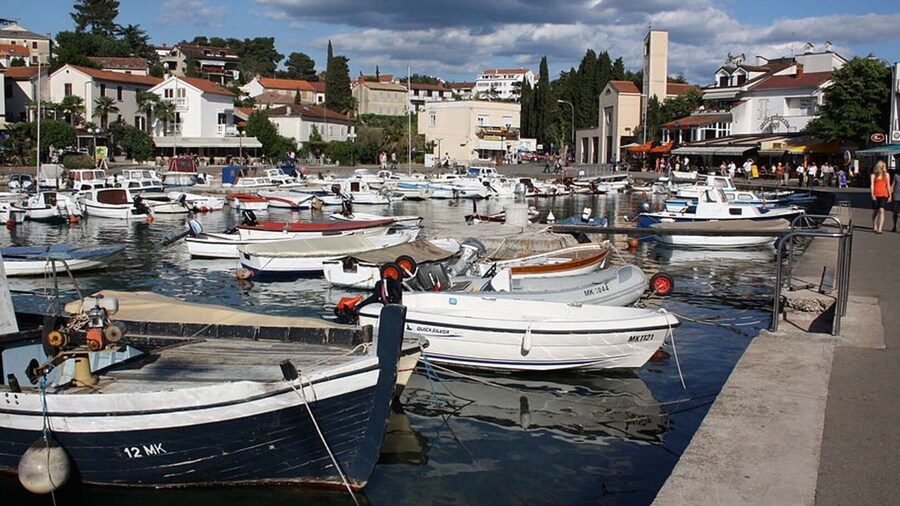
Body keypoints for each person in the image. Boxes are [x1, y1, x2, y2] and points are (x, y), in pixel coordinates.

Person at [870, 160, 891, 233]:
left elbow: (888, 185)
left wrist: (889, 195)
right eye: (884, 166)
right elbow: (872, 185)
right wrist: (872, 194)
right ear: (880, 167)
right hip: (876, 194)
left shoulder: (887, 175)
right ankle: (874, 226)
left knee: (882, 210)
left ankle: (880, 228)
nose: (885, 168)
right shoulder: (873, 175)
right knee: (875, 211)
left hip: (884, 194)